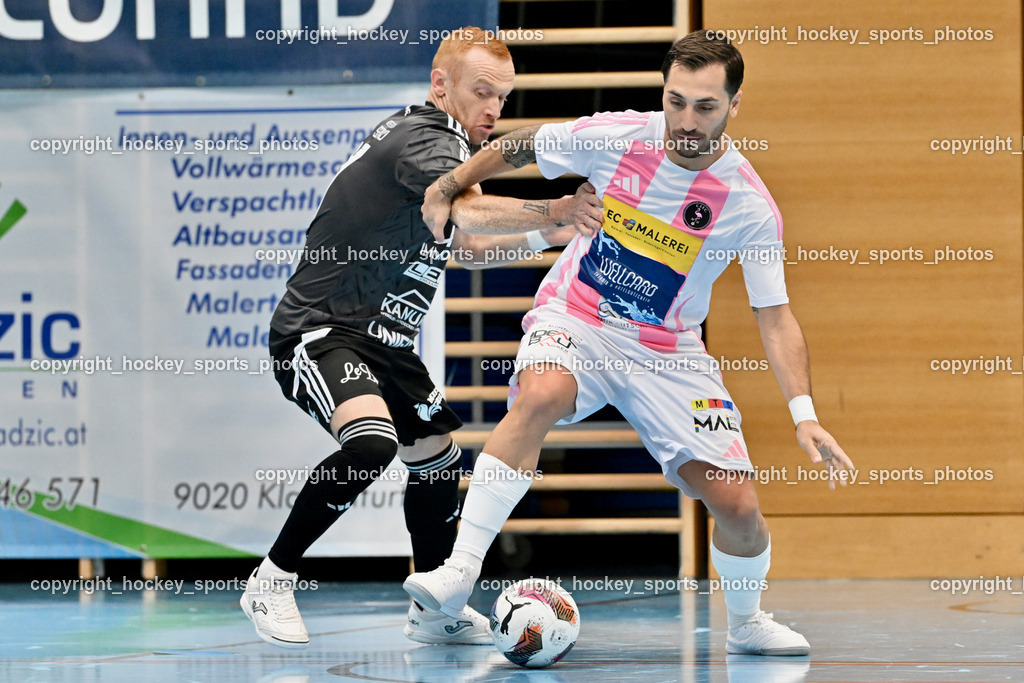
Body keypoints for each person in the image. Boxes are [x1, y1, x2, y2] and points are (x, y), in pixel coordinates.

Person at [404, 30, 855, 656]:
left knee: (737, 504)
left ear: (734, 105)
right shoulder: (620, 136)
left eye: (704, 106)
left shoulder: (748, 205)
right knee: (540, 395)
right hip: (578, 316)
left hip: (668, 351)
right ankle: (460, 571)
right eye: (675, 102)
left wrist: (804, 415)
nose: (686, 121)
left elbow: (774, 317)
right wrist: (450, 185)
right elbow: (520, 146)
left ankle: (747, 624)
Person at [240, 26, 587, 649]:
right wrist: (556, 209)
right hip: (323, 329)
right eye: (481, 92)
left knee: (435, 456)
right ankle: (272, 579)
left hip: (386, 344)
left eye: (503, 98)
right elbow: (471, 213)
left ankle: (433, 611)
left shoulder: (443, 147)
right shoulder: (424, 139)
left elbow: (471, 247)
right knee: (372, 445)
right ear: (440, 85)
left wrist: (547, 238)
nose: (493, 110)